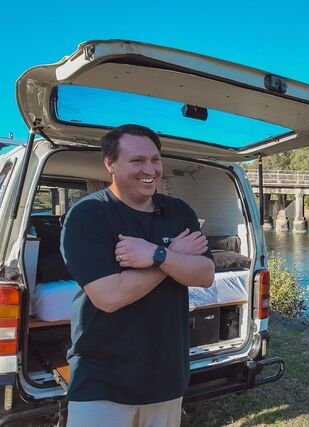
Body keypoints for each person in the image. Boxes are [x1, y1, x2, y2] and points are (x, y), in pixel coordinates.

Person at [61, 124, 215, 427]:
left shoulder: (178, 211)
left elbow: (205, 274)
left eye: (155, 160)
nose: (150, 169)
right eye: (137, 161)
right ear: (111, 163)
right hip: (101, 380)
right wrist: (172, 258)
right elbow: (110, 296)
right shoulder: (87, 215)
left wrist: (157, 255)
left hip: (166, 376)